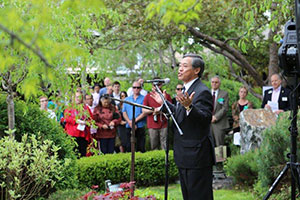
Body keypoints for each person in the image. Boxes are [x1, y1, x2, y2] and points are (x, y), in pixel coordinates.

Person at [151, 53, 215, 200]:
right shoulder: (185, 90)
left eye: (185, 66)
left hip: (197, 156)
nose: (180, 69)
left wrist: (190, 108)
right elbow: (180, 115)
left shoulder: (202, 91)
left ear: (196, 70)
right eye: (180, 66)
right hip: (185, 154)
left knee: (199, 196)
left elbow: (205, 118)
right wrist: (164, 105)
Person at [143, 77, 172, 150]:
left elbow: (171, 109)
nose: (156, 87)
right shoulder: (148, 96)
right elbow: (144, 110)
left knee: (164, 145)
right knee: (153, 145)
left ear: (161, 85)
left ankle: (165, 160)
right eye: (154, 85)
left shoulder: (166, 95)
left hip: (164, 124)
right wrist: (153, 110)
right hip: (152, 124)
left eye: (158, 85)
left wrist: (160, 110)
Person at [63, 91, 92, 157]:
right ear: (73, 98)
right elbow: (67, 118)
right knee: (74, 153)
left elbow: (91, 119)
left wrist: (86, 122)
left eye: (79, 97)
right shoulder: (69, 107)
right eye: (76, 97)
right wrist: (76, 121)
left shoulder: (86, 108)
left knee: (83, 153)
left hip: (83, 134)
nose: (78, 99)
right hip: (72, 134)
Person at [122, 81, 147, 152]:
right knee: (129, 147)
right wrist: (130, 122)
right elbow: (124, 112)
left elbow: (144, 112)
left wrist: (134, 121)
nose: (136, 89)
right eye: (134, 87)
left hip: (140, 126)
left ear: (141, 89)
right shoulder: (127, 99)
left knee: (141, 147)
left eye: (138, 87)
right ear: (132, 89)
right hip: (129, 126)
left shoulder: (144, 99)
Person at [210, 75, 230, 147]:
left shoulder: (224, 94)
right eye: (212, 82)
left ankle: (220, 158)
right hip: (208, 123)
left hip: (219, 123)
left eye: (216, 82)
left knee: (219, 146)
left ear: (219, 83)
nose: (214, 84)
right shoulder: (207, 93)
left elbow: (225, 108)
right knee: (208, 145)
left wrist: (215, 117)